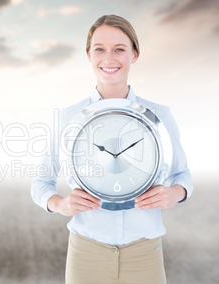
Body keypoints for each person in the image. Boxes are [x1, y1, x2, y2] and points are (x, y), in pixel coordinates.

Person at [31, 14, 193, 284]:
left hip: (145, 253)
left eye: (119, 49)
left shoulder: (160, 115)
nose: (109, 58)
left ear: (134, 54)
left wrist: (174, 193)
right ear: (89, 55)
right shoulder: (68, 117)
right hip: (86, 253)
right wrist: (60, 204)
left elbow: (183, 175)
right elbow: (40, 182)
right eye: (100, 49)